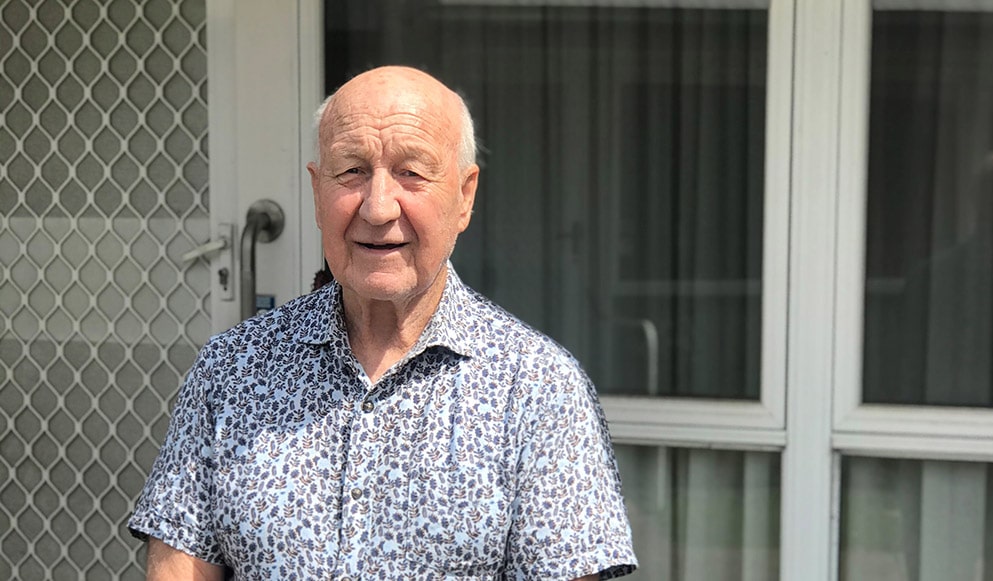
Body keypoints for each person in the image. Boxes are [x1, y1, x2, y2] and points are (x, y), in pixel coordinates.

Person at [128, 65, 637, 580]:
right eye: (350, 171)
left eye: (412, 172)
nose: (377, 207)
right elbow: (179, 564)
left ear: (464, 196)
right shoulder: (232, 369)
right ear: (316, 191)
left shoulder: (537, 388)